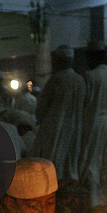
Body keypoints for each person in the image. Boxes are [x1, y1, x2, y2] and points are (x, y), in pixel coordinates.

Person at [32, 44, 86, 183]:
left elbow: (42, 108)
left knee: (52, 166)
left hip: (55, 129)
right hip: (75, 129)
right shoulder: (80, 81)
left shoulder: (56, 80)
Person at [79, 41, 107, 210]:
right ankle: (105, 202)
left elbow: (84, 104)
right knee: (105, 164)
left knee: (91, 163)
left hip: (91, 123)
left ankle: (93, 203)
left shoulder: (90, 76)